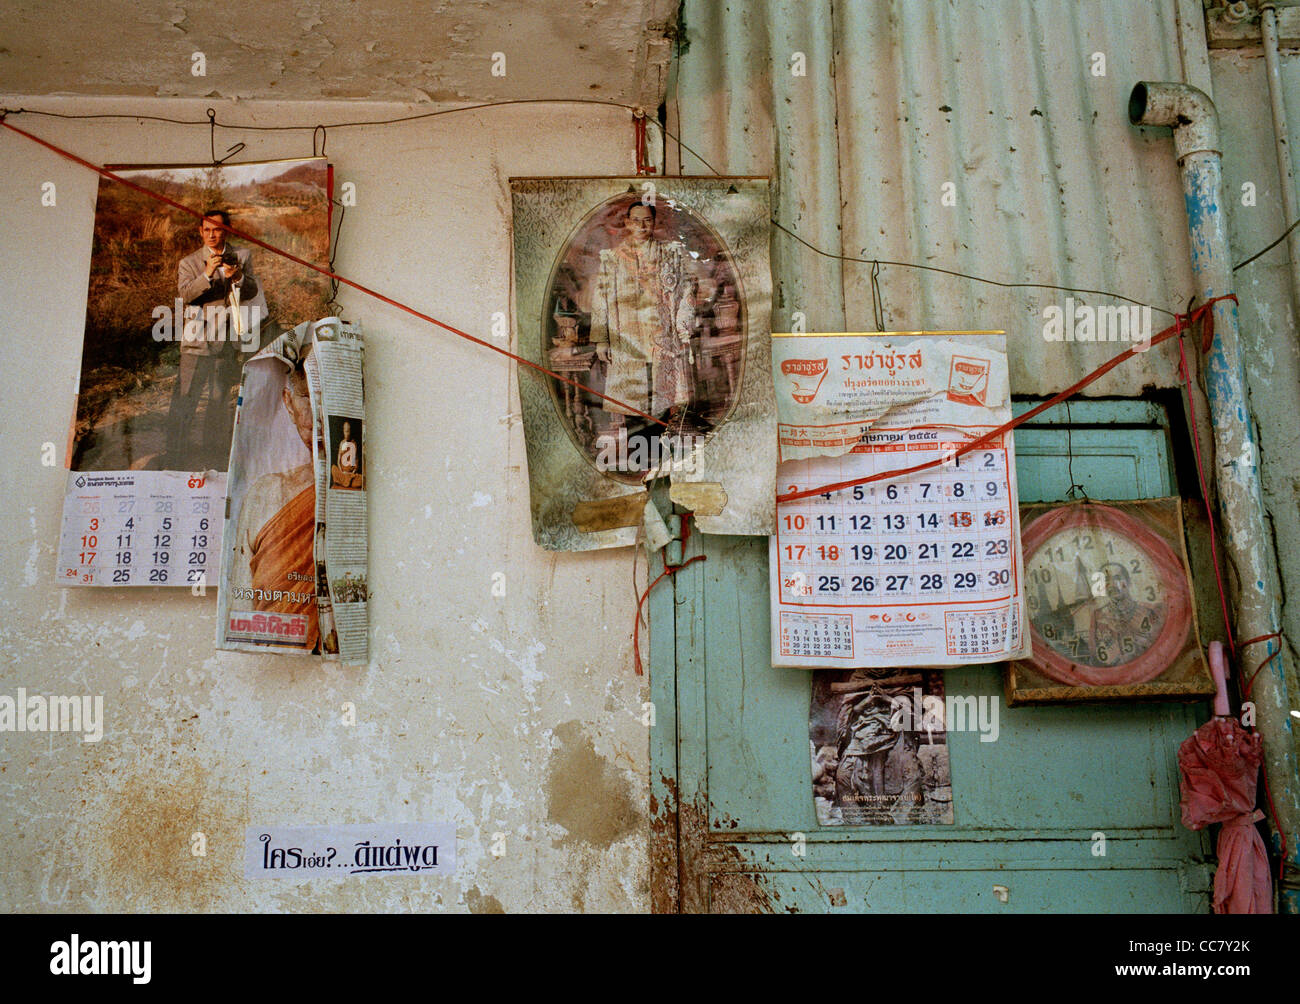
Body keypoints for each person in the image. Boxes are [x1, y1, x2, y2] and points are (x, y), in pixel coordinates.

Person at [228, 355, 318, 652]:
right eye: (307, 397)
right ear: (289, 403)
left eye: (327, 397)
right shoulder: (265, 494)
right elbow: (239, 602)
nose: (315, 414)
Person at [167, 208, 267, 468]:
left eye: (217, 229)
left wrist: (238, 277)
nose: (211, 235)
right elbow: (186, 295)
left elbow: (252, 290)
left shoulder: (241, 256)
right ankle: (175, 456)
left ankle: (212, 457)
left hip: (227, 342)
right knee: (186, 399)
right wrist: (207, 275)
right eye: (207, 230)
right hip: (197, 341)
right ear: (201, 232)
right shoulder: (189, 262)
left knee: (219, 400)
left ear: (227, 231)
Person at [588, 201, 698, 439]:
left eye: (647, 219)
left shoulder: (669, 254)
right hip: (626, 335)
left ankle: (661, 452)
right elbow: (601, 300)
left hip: (660, 335)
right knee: (632, 396)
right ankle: (640, 456)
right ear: (627, 223)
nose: (641, 225)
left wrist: (682, 325)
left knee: (660, 394)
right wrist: (601, 341)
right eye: (636, 220)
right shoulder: (613, 258)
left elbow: (687, 288)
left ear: (654, 222)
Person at [330, 419, 364, 489]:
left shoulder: (354, 443)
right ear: (343, 431)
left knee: (362, 479)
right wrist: (341, 471)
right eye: (345, 431)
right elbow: (338, 459)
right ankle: (346, 481)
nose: (347, 434)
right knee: (333, 468)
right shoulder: (342, 443)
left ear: (351, 432)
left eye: (348, 431)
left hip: (351, 474)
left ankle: (346, 481)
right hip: (342, 473)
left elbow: (356, 460)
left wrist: (353, 472)